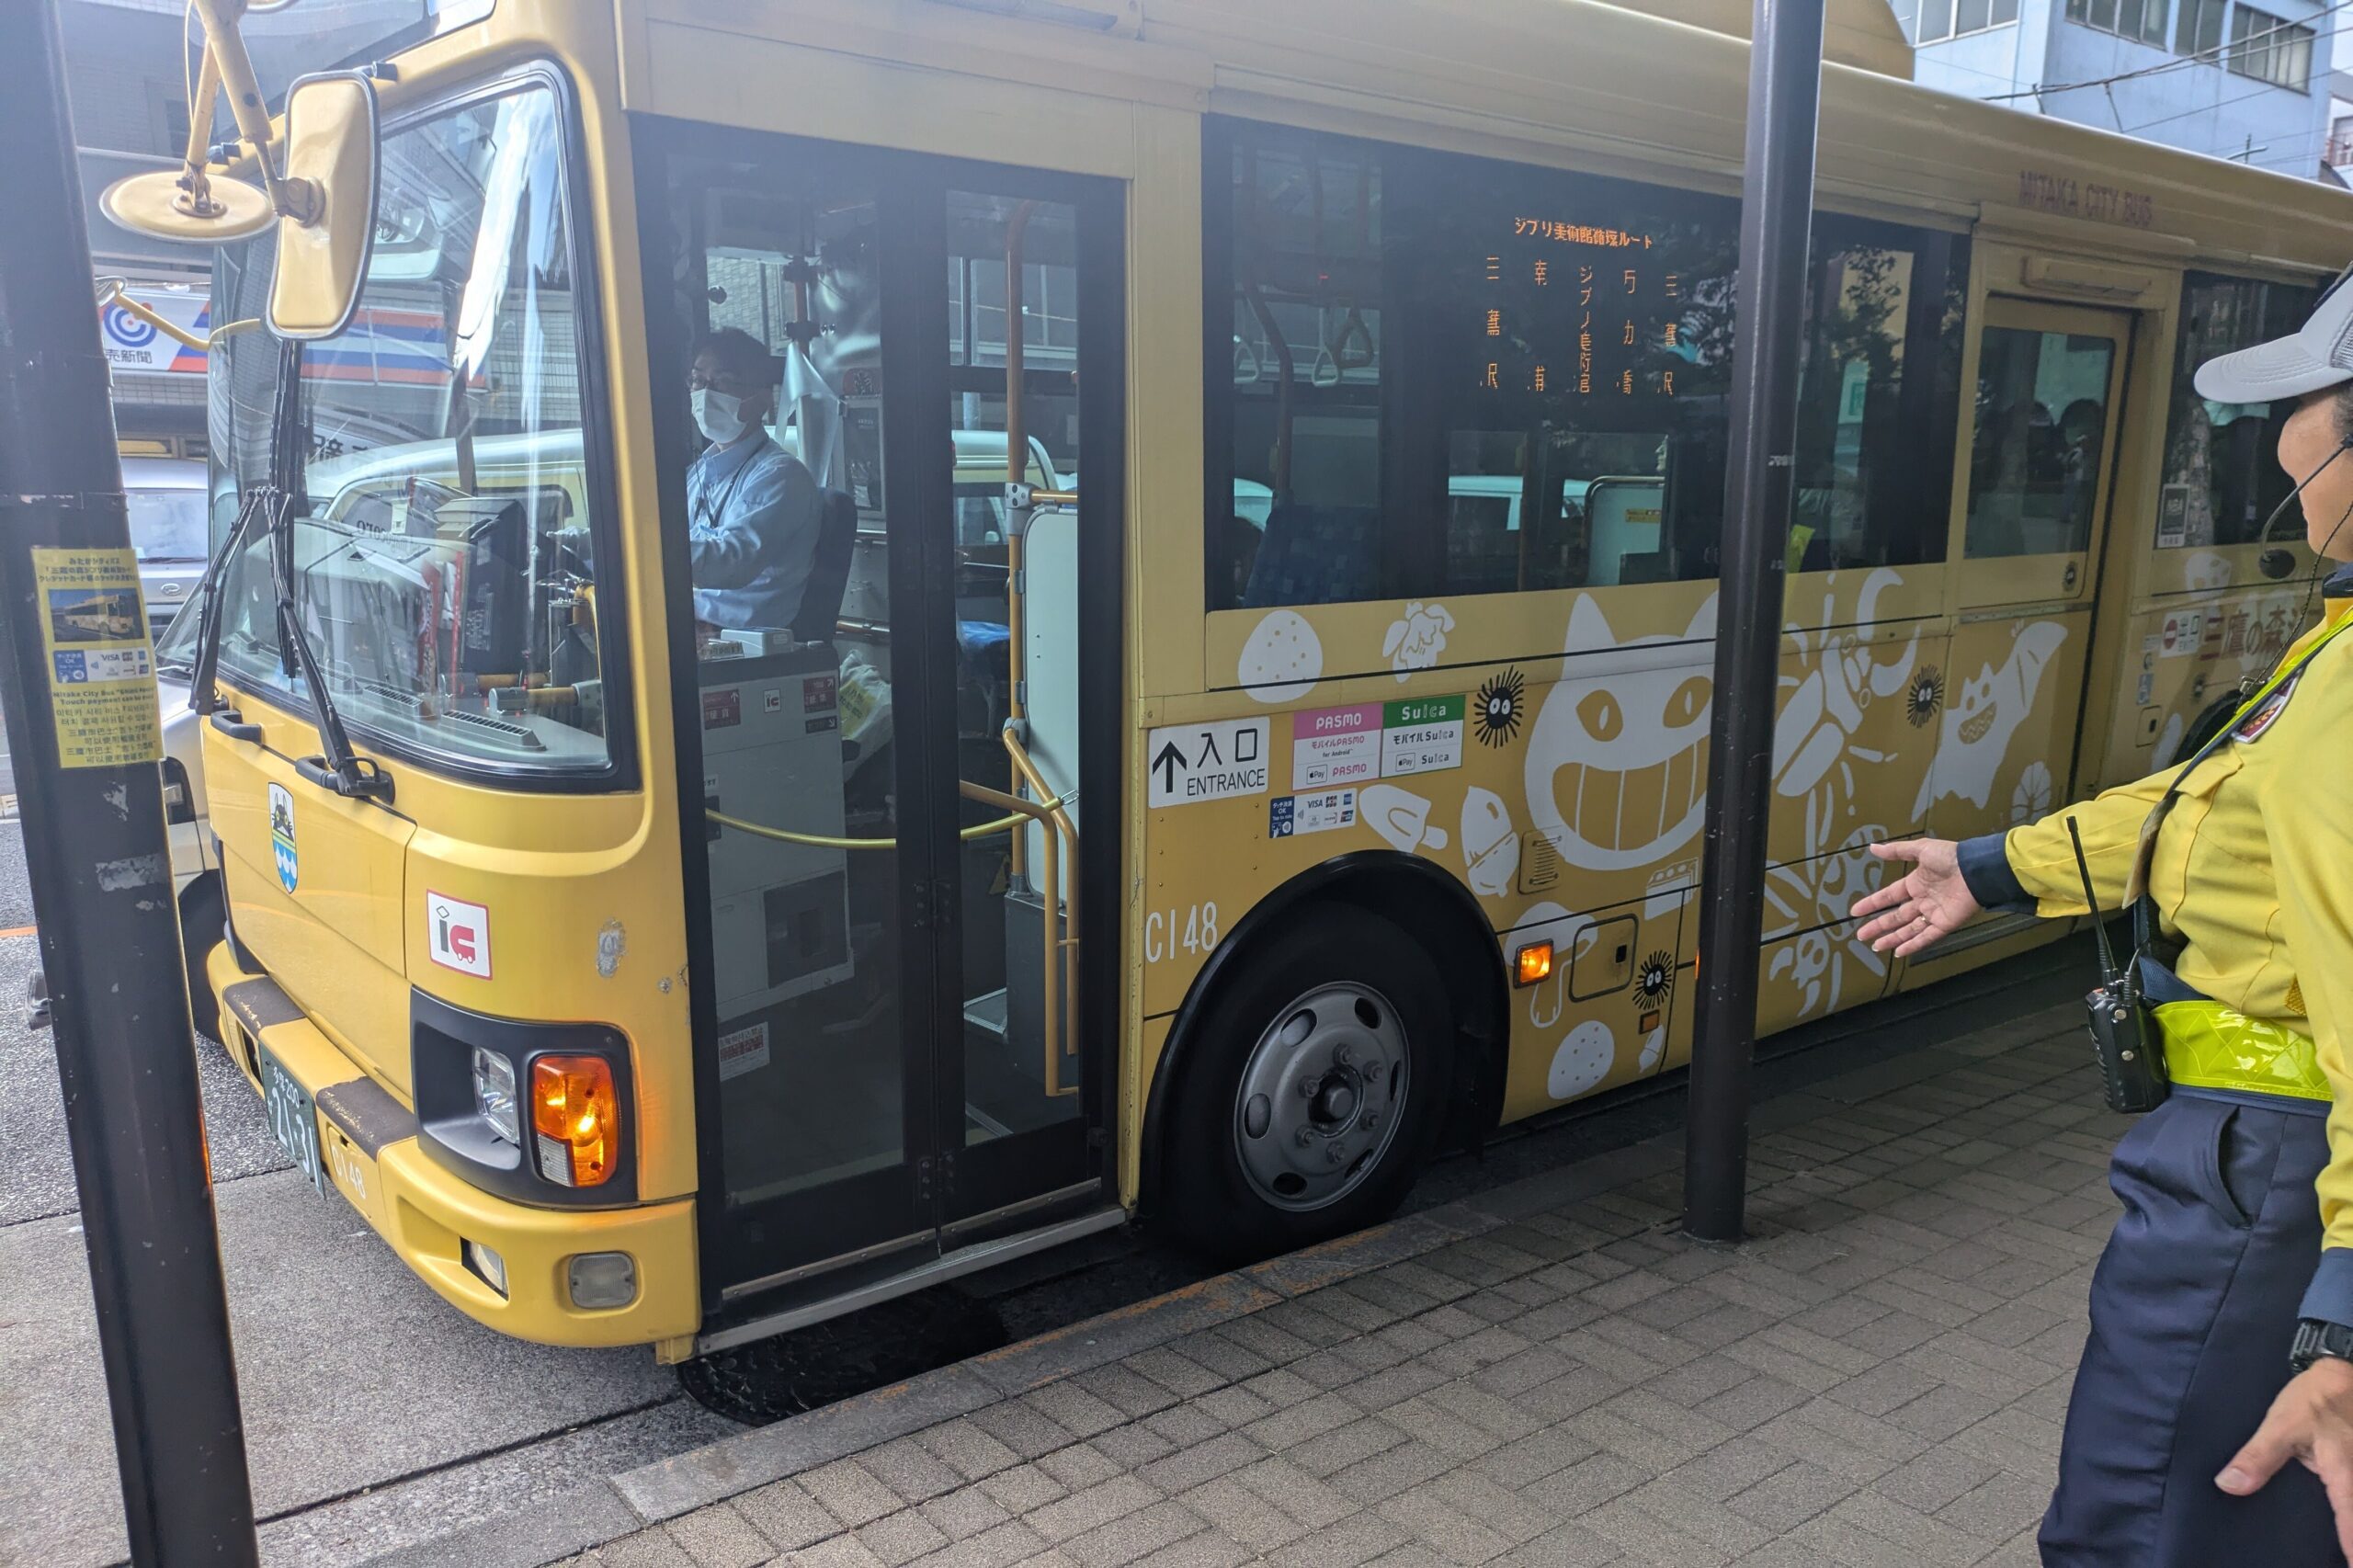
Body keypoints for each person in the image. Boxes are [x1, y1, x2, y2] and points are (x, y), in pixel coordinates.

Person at [1853, 267, 2353, 1567]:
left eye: (2304, 403)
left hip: (2268, 1190)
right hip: (2267, 1180)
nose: (2283, 441)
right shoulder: (2338, 647)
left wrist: (2345, 1324)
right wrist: (1997, 868)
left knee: (2135, 1529)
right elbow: (2203, 811)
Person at [686, 326, 824, 634]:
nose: (706, 392)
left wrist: (642, 551)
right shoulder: (699, 474)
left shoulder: (780, 477)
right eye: (697, 379)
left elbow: (729, 564)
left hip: (741, 646)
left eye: (723, 382)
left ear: (763, 398)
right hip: (690, 628)